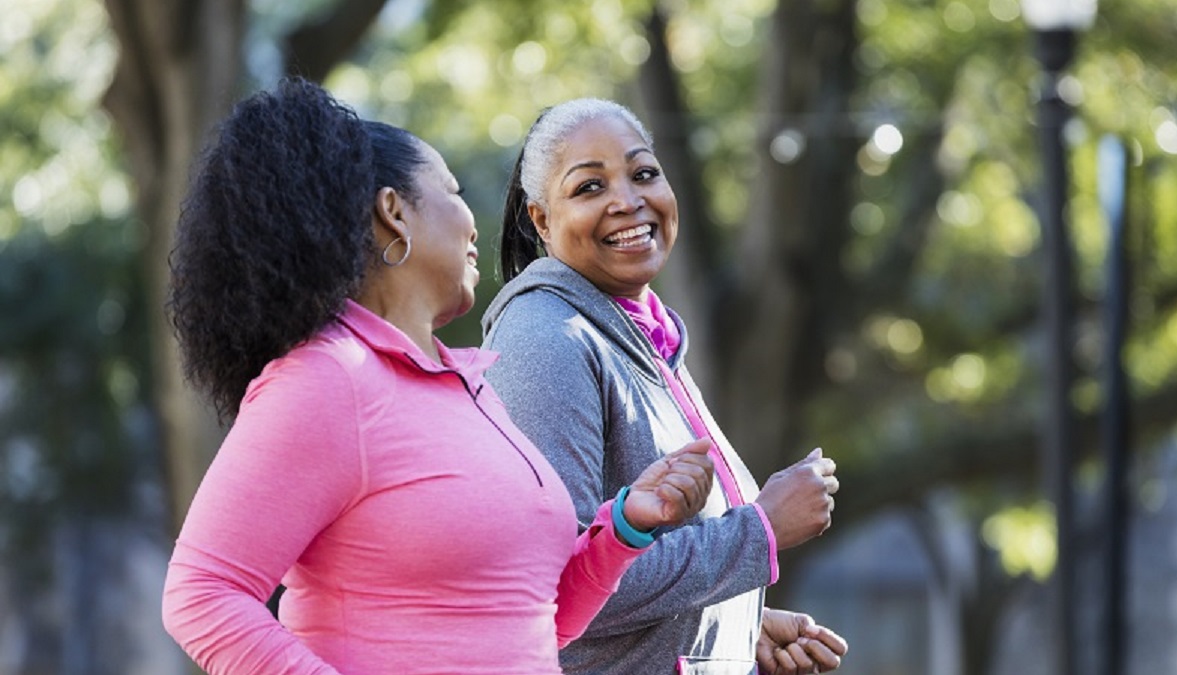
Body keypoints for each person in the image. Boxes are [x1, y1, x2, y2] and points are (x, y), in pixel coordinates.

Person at [159, 78, 716, 675]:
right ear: (394, 213)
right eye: (451, 191)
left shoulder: (468, 387)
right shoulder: (327, 378)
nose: (474, 224)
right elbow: (202, 595)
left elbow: (536, 617)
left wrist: (626, 525)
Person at [481, 98, 849, 675]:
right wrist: (759, 531)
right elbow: (560, 583)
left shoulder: (641, 333)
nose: (628, 201)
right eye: (589, 187)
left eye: (643, 173)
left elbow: (643, 571)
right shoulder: (547, 336)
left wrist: (731, 626)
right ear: (541, 221)